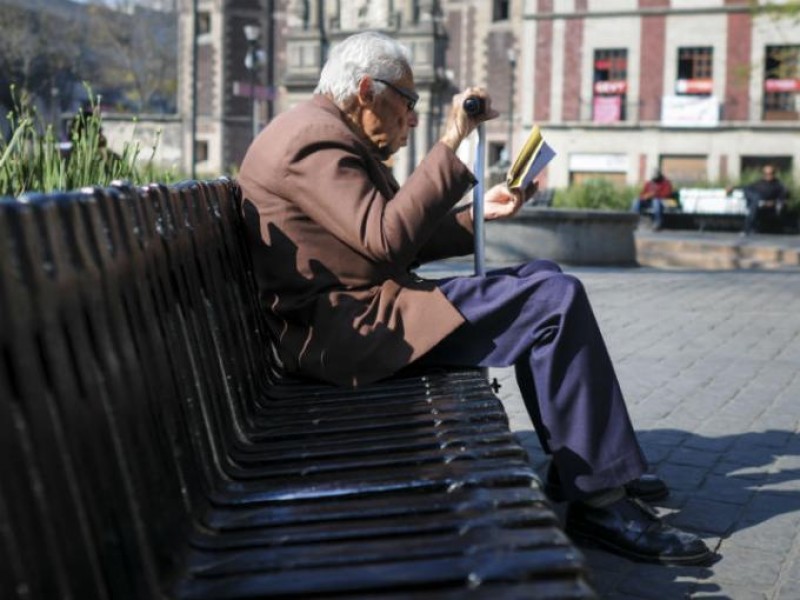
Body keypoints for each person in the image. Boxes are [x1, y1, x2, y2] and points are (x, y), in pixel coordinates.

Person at [238, 31, 715, 566]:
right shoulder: (313, 139)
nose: (412, 119)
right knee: (553, 299)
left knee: (544, 275)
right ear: (368, 89)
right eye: (409, 102)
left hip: (366, 314)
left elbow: (389, 241)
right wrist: (450, 142)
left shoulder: (322, 131)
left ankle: (588, 462)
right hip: (353, 334)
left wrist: (477, 216)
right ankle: (601, 500)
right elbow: (386, 239)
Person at [736, 164, 789, 235]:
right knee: (753, 197)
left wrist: (774, 202)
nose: (768, 175)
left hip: (770, 206)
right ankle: (748, 228)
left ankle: (748, 228)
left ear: (774, 174)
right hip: (757, 203)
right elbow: (746, 186)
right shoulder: (759, 183)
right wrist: (733, 187)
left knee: (755, 201)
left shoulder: (778, 185)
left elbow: (783, 196)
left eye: (771, 173)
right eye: (766, 174)